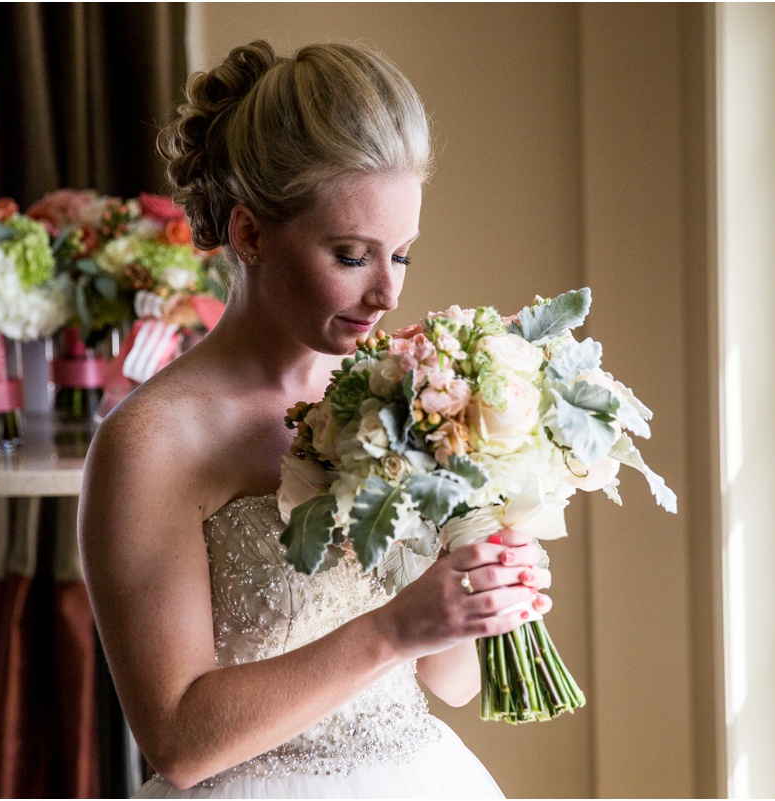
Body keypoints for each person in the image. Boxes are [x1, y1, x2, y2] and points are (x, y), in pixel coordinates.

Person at [78, 40, 553, 798]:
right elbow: (176, 740)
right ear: (250, 234)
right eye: (352, 255)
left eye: (403, 255)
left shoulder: (409, 391)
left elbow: (452, 681)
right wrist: (395, 626)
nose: (388, 295)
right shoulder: (151, 443)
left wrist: (484, 578)